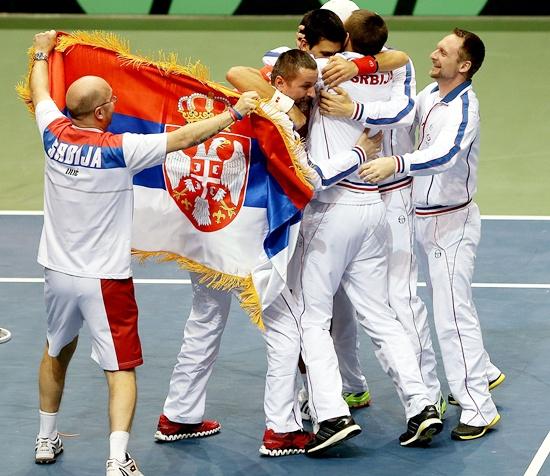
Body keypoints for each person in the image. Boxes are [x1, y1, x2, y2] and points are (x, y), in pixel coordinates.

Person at [29, 30, 258, 475]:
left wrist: (41, 51)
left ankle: (43, 438)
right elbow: (185, 139)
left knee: (56, 350)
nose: (117, 104)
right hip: (105, 279)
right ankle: (117, 460)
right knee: (121, 370)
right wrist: (234, 111)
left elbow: (40, 89)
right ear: (100, 112)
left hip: (56, 272)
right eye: (112, 100)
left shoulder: (52, 132)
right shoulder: (121, 150)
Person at [294, 10, 443, 455]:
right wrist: (366, 68)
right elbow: (401, 105)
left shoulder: (319, 70)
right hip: (373, 208)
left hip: (331, 208)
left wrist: (304, 54)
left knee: (312, 318)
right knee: (380, 315)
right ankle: (421, 404)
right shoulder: (399, 70)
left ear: (340, 41)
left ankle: (331, 414)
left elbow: (251, 72)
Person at [360, 28, 503, 440]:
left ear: (464, 65)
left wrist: (396, 164)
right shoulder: (428, 96)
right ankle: (483, 372)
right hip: (419, 215)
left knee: (452, 316)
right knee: (425, 306)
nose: (433, 54)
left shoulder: (464, 110)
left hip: (451, 225)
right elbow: (402, 119)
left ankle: (478, 407)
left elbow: (443, 155)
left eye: (443, 51)